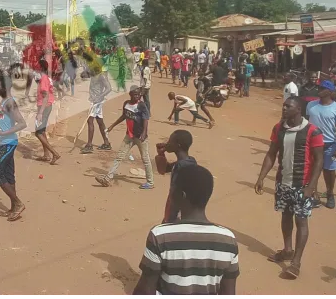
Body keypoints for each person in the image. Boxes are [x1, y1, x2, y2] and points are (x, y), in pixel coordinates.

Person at [133, 165, 239, 294]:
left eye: (172, 189)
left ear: (181, 195)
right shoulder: (228, 240)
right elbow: (228, 292)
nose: (170, 193)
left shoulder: (160, 236)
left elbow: (145, 290)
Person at [255, 96, 323, 279]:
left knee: (301, 221)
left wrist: (312, 185)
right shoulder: (278, 129)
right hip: (283, 183)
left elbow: (319, 161)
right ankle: (287, 250)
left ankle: (296, 262)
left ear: (298, 109)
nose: (284, 108)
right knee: (285, 216)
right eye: (283, 105)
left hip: (302, 186)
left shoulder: (313, 131)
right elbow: (271, 153)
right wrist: (261, 177)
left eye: (288, 106)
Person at [0, 70, 28, 221]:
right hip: (3, 142)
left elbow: (22, 123)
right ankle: (13, 207)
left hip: (7, 143)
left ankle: (18, 202)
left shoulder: (10, 102)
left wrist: (4, 132)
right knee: (9, 174)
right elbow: (4, 116)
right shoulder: (4, 101)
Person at [95, 84, 154, 188]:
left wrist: (144, 133)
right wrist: (112, 126)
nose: (137, 97)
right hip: (129, 136)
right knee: (119, 157)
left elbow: (145, 119)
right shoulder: (126, 104)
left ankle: (150, 182)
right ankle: (108, 178)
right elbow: (123, 116)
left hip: (140, 136)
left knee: (145, 159)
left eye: (138, 95)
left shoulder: (141, 105)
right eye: (135, 95)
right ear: (130, 94)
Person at [154, 129, 199, 223]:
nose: (167, 143)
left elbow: (178, 196)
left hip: (177, 216)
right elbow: (163, 170)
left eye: (170, 141)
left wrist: (169, 219)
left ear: (178, 145)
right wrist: (161, 154)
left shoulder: (181, 167)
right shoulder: (188, 161)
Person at [306, 80, 336, 209]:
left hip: (330, 144)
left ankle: (330, 194)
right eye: (319, 87)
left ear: (330, 92)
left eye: (323, 88)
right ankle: (315, 196)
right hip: (312, 143)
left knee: (329, 171)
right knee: (313, 170)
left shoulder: (335, 108)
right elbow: (306, 123)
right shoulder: (311, 105)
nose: (319, 90)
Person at [81, 63, 112, 154]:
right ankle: (106, 143)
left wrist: (99, 96)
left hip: (96, 102)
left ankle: (89, 145)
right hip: (94, 100)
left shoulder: (101, 76)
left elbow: (109, 88)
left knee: (90, 121)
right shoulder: (93, 74)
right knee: (100, 121)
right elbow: (83, 76)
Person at [34, 59, 60, 165]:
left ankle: (54, 153)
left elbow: (46, 96)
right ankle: (46, 154)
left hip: (44, 107)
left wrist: (40, 112)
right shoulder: (46, 78)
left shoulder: (44, 79)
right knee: (42, 130)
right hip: (47, 106)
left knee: (38, 132)